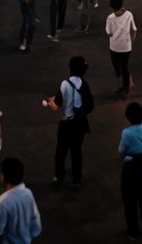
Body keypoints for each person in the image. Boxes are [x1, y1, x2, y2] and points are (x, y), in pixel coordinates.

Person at [47, 53, 92, 186]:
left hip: (66, 123)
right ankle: (76, 179)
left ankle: (58, 175)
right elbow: (90, 106)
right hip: (80, 124)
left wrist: (50, 102)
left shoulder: (65, 84)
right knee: (76, 151)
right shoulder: (85, 85)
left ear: (70, 69)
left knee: (61, 150)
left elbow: (57, 103)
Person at [119, 100, 142, 240]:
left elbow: (122, 151)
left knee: (129, 199)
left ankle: (133, 230)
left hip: (132, 165)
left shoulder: (127, 133)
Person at [0, 157, 42, 244]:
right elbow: (35, 219)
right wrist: (33, 234)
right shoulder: (28, 193)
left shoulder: (3, 201)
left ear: (4, 177)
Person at [106, 0, 137, 95]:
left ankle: (120, 86)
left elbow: (109, 33)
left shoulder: (110, 18)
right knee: (125, 67)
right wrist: (130, 41)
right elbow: (134, 30)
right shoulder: (129, 14)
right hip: (126, 47)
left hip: (114, 47)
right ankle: (125, 88)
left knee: (117, 68)